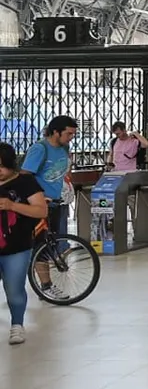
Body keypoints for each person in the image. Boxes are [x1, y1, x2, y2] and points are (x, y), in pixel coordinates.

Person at [0, 141, 48, 345]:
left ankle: (17, 325)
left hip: (16, 246)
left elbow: (41, 211)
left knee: (14, 290)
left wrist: (12, 205)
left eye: (1, 166)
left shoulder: (25, 183)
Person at [23, 115, 76, 299]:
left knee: (45, 244)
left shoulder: (64, 148)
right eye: (68, 133)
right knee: (40, 245)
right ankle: (45, 287)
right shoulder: (40, 149)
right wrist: (39, 196)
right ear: (56, 132)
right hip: (39, 204)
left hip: (55, 202)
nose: (71, 137)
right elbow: (25, 175)